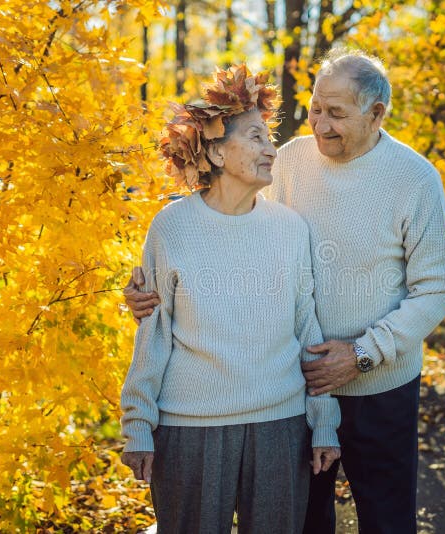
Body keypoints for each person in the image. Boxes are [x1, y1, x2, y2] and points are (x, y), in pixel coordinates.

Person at [125, 50, 445, 533]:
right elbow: (229, 228)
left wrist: (364, 353)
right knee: (304, 522)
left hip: (379, 387)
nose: (320, 124)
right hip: (297, 385)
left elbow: (438, 288)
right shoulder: (289, 161)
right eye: (315, 108)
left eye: (337, 114)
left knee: (388, 521)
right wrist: (152, 288)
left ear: (377, 114)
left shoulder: (415, 180)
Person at [119, 65, 341, 534]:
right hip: (189, 429)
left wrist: (324, 422)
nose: (270, 149)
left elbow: (307, 329)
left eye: (270, 138)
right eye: (256, 137)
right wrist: (138, 421)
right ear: (217, 151)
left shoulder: (290, 227)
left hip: (280, 427)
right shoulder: (172, 227)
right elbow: (153, 332)